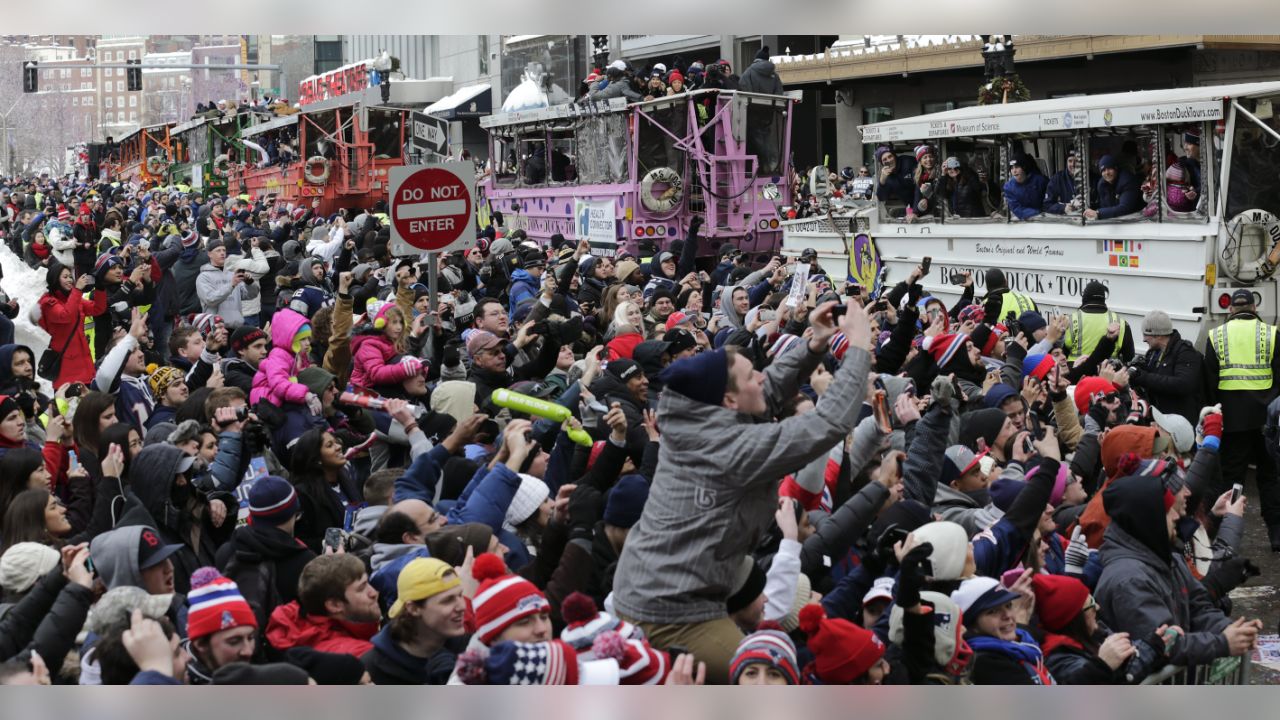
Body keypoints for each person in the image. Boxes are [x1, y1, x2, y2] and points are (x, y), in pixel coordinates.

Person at [612, 299, 872, 683]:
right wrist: (860, 348)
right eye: (753, 376)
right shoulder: (728, 449)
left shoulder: (703, 416)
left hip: (691, 570)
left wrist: (815, 342)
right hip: (668, 607)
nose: (763, 378)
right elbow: (828, 423)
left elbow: (762, 389)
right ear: (729, 401)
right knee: (769, 674)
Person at [1204, 289, 1280, 549]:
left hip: (1233, 420)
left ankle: (1228, 531)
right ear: (1255, 308)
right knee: (1269, 476)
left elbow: (1211, 382)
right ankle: (1276, 533)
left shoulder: (1216, 335)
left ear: (1231, 309)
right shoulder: (1271, 334)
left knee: (1233, 478)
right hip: (1266, 421)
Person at [362, 557, 467, 684]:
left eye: (460, 595)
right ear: (413, 608)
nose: (462, 606)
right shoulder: (371, 673)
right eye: (448, 600)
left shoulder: (470, 649)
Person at [36, 262, 105, 386]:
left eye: (70, 276)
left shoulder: (75, 299)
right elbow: (65, 315)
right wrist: (77, 290)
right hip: (66, 369)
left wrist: (100, 288)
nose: (69, 280)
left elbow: (98, 309)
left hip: (85, 364)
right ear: (55, 279)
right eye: (65, 277)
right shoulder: (48, 302)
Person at [1129, 309, 1204, 424]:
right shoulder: (1153, 353)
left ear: (1158, 335)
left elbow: (1183, 384)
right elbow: (1153, 379)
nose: (1144, 339)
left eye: (1146, 334)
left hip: (1180, 424)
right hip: (1159, 420)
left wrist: (1143, 377)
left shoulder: (1185, 353)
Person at [1063, 281, 1134, 363]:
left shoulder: (1069, 320)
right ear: (1104, 298)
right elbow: (1129, 357)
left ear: (1084, 298)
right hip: (1108, 372)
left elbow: (1061, 353)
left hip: (1076, 371)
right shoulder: (1121, 322)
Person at [195, 238, 259, 329]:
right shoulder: (203, 277)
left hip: (237, 326)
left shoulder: (232, 275)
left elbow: (251, 295)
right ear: (209, 254)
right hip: (217, 328)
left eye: (224, 250)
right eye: (218, 250)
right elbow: (210, 299)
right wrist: (231, 285)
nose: (222, 253)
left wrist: (249, 283)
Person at [1084, 155, 1142, 220]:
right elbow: (1104, 206)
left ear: (1116, 168)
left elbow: (1125, 208)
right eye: (1103, 170)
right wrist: (1085, 208)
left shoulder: (1127, 181)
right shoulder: (1102, 184)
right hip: (1115, 221)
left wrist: (1098, 213)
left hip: (1137, 220)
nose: (1107, 173)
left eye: (1109, 168)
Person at [1002, 154, 1049, 220]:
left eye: (1017, 167)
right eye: (1012, 168)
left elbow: (1049, 202)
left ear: (1024, 167)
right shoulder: (1008, 187)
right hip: (1023, 220)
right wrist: (1037, 213)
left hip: (1045, 219)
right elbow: (1016, 208)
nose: (1014, 171)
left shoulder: (1041, 181)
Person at [1044, 150, 1081, 215]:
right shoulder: (1057, 179)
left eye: (1076, 161)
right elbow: (1047, 205)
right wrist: (1063, 208)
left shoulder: (1091, 177)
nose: (1073, 164)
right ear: (1066, 162)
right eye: (1070, 161)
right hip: (1065, 220)